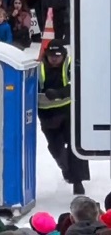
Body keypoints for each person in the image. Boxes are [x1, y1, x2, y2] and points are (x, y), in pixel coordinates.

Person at [38, 39, 89, 195]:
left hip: (68, 113)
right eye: (51, 55)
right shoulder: (38, 68)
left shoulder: (70, 65)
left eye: (58, 55)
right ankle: (67, 171)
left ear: (64, 55)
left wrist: (59, 94)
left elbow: (78, 84)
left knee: (75, 148)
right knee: (55, 148)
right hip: (47, 116)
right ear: (46, 55)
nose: (54, 58)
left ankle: (78, 182)